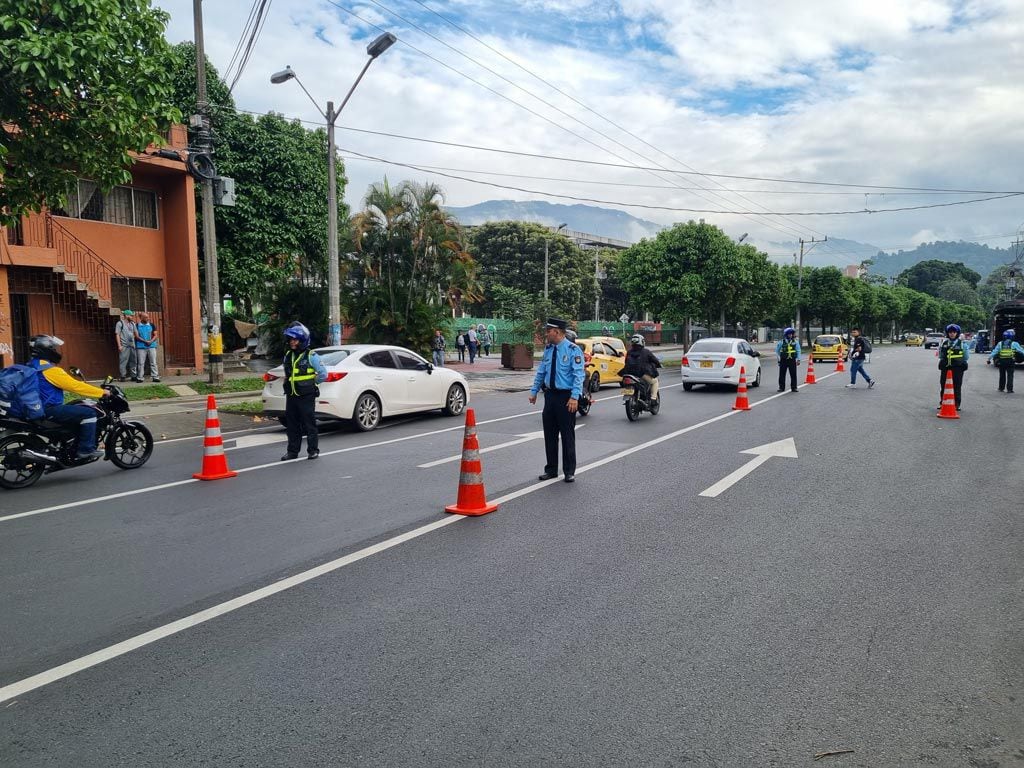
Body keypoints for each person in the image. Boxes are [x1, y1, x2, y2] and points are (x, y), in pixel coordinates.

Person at [27, 335, 108, 461]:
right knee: (89, 413)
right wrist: (102, 392)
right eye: (53, 348)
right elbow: (75, 386)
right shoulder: (50, 370)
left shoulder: (31, 365)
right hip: (49, 409)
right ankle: (85, 450)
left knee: (73, 410)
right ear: (47, 350)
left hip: (34, 408)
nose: (56, 350)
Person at [529, 317, 585, 483]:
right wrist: (534, 391)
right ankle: (551, 469)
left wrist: (575, 397)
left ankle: (569, 471)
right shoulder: (549, 349)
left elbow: (578, 375)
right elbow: (541, 371)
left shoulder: (573, 350)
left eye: (549, 331)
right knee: (550, 434)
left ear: (557, 332)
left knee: (567, 435)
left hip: (566, 396)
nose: (546, 334)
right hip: (550, 396)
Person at [280, 322, 328, 461]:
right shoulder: (288, 355)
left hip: (306, 395)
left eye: (294, 340)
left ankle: (313, 450)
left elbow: (323, 374)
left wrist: (312, 384)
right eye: (290, 340)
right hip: (292, 395)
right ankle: (292, 452)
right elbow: (287, 374)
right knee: (292, 425)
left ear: (302, 340)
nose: (292, 342)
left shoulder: (311, 356)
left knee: (309, 423)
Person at [937, 323, 968, 410]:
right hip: (946, 367)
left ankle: (956, 404)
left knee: (957, 386)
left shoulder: (962, 344)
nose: (952, 334)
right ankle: (942, 403)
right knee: (943, 385)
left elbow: (966, 356)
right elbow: (941, 355)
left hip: (957, 368)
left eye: (954, 332)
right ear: (948, 333)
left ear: (957, 333)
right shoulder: (944, 343)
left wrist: (960, 362)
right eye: (950, 332)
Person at [622, 333, 662, 401]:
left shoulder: (629, 352)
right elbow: (655, 360)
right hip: (641, 374)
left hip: (629, 374)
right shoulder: (646, 351)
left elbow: (626, 362)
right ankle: (653, 398)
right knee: (655, 381)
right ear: (642, 342)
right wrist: (659, 364)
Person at [988, 329, 1023, 393]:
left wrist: (989, 359)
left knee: (1002, 375)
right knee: (1010, 375)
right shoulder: (1014, 344)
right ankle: (1009, 389)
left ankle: (1001, 388)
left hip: (1002, 361)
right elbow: (1021, 351)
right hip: (1010, 361)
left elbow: (995, 352)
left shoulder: (1000, 343)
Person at [133, 311, 160, 383]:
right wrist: (145, 341)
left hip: (152, 346)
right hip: (141, 347)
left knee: (153, 362)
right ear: (141, 318)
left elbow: (156, 335)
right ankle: (140, 377)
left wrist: (151, 341)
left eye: (148, 317)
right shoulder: (137, 325)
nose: (148, 318)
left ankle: (155, 377)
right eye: (146, 317)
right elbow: (137, 336)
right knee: (141, 363)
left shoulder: (151, 325)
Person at [775, 326, 801, 392]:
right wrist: (779, 359)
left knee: (793, 374)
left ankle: (794, 387)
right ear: (786, 334)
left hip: (792, 360)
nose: (790, 335)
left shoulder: (795, 342)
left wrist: (798, 359)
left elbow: (798, 350)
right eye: (789, 334)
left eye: (791, 334)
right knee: (782, 374)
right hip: (783, 360)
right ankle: (781, 387)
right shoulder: (781, 342)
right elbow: (777, 351)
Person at [114, 309, 137, 382]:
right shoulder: (120, 323)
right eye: (131, 315)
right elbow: (117, 334)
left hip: (132, 345)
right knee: (123, 361)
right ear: (126, 316)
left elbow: (135, 333)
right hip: (124, 346)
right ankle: (123, 376)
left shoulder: (132, 324)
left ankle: (133, 376)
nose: (132, 317)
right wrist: (119, 346)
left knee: (133, 361)